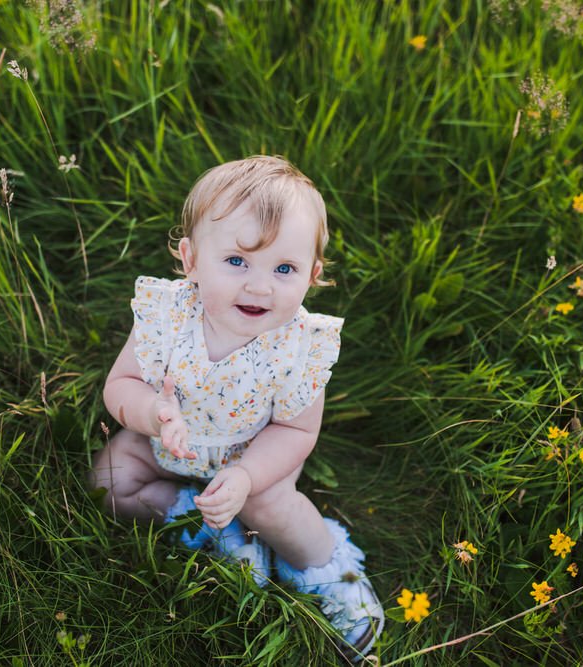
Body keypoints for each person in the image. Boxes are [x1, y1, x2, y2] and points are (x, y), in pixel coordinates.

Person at [88, 155, 383, 661]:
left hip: (253, 456)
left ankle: (335, 573)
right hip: (166, 441)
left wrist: (246, 475)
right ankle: (201, 522)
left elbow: (295, 432)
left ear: (312, 275)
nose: (260, 285)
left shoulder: (297, 347)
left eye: (284, 268)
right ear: (191, 259)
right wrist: (151, 415)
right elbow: (122, 383)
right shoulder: (165, 316)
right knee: (109, 480)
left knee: (270, 505)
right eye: (238, 261)